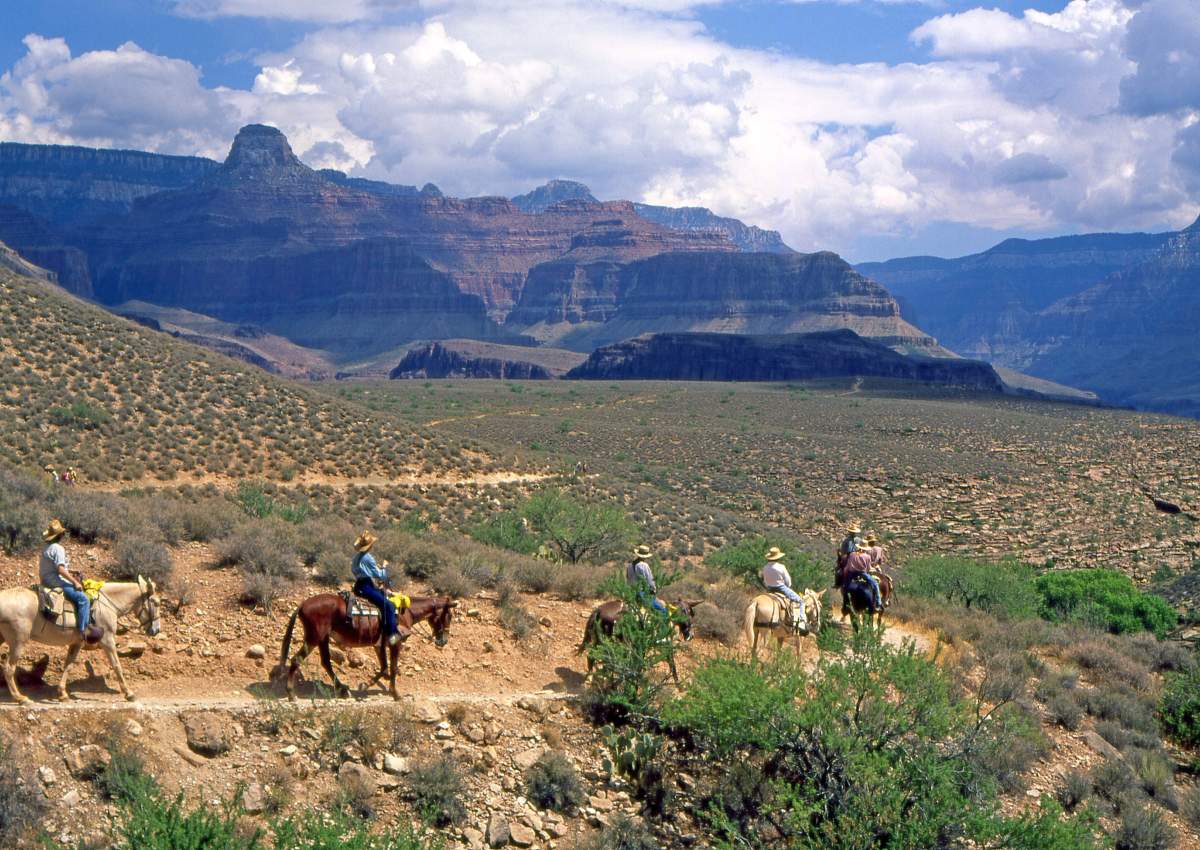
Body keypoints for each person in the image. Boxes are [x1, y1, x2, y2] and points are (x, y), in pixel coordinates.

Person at [39, 519, 101, 643]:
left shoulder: (46, 547)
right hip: (56, 581)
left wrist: (71, 571)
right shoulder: (58, 548)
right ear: (60, 535)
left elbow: (55, 566)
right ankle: (82, 632)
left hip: (46, 579)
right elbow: (61, 570)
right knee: (83, 599)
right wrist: (75, 582)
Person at [350, 531, 409, 646]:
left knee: (383, 597)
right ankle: (392, 635)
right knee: (389, 605)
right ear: (370, 546)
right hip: (366, 586)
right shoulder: (368, 558)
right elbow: (380, 575)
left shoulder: (357, 557)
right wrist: (384, 567)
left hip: (359, 585)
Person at [762, 547, 807, 627]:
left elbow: (765, 581)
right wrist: (787, 586)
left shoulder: (765, 567)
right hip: (781, 588)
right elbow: (788, 582)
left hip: (769, 589)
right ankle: (802, 620)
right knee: (801, 601)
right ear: (778, 558)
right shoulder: (781, 567)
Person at [626, 545, 667, 615]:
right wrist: (654, 590)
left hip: (631, 593)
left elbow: (627, 578)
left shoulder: (629, 565)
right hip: (642, 593)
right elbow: (650, 579)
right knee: (663, 611)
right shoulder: (643, 565)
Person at [843, 544, 882, 612]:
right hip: (863, 574)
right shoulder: (867, 556)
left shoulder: (852, 554)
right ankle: (878, 603)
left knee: (845, 587)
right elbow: (868, 569)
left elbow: (847, 567)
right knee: (875, 584)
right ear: (865, 549)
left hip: (851, 574)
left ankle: (845, 605)